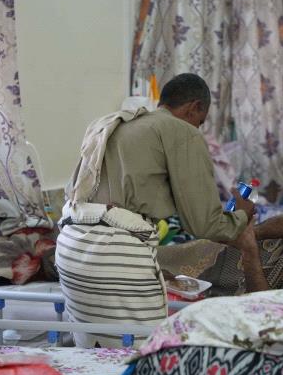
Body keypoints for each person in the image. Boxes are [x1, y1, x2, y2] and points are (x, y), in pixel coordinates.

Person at [58, 73, 255, 348]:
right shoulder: (182, 131)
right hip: (116, 256)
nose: (199, 128)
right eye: (201, 121)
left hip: (71, 246)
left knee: (94, 355)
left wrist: (153, 269)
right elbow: (204, 224)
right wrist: (242, 214)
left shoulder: (114, 125)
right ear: (195, 107)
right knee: (145, 356)